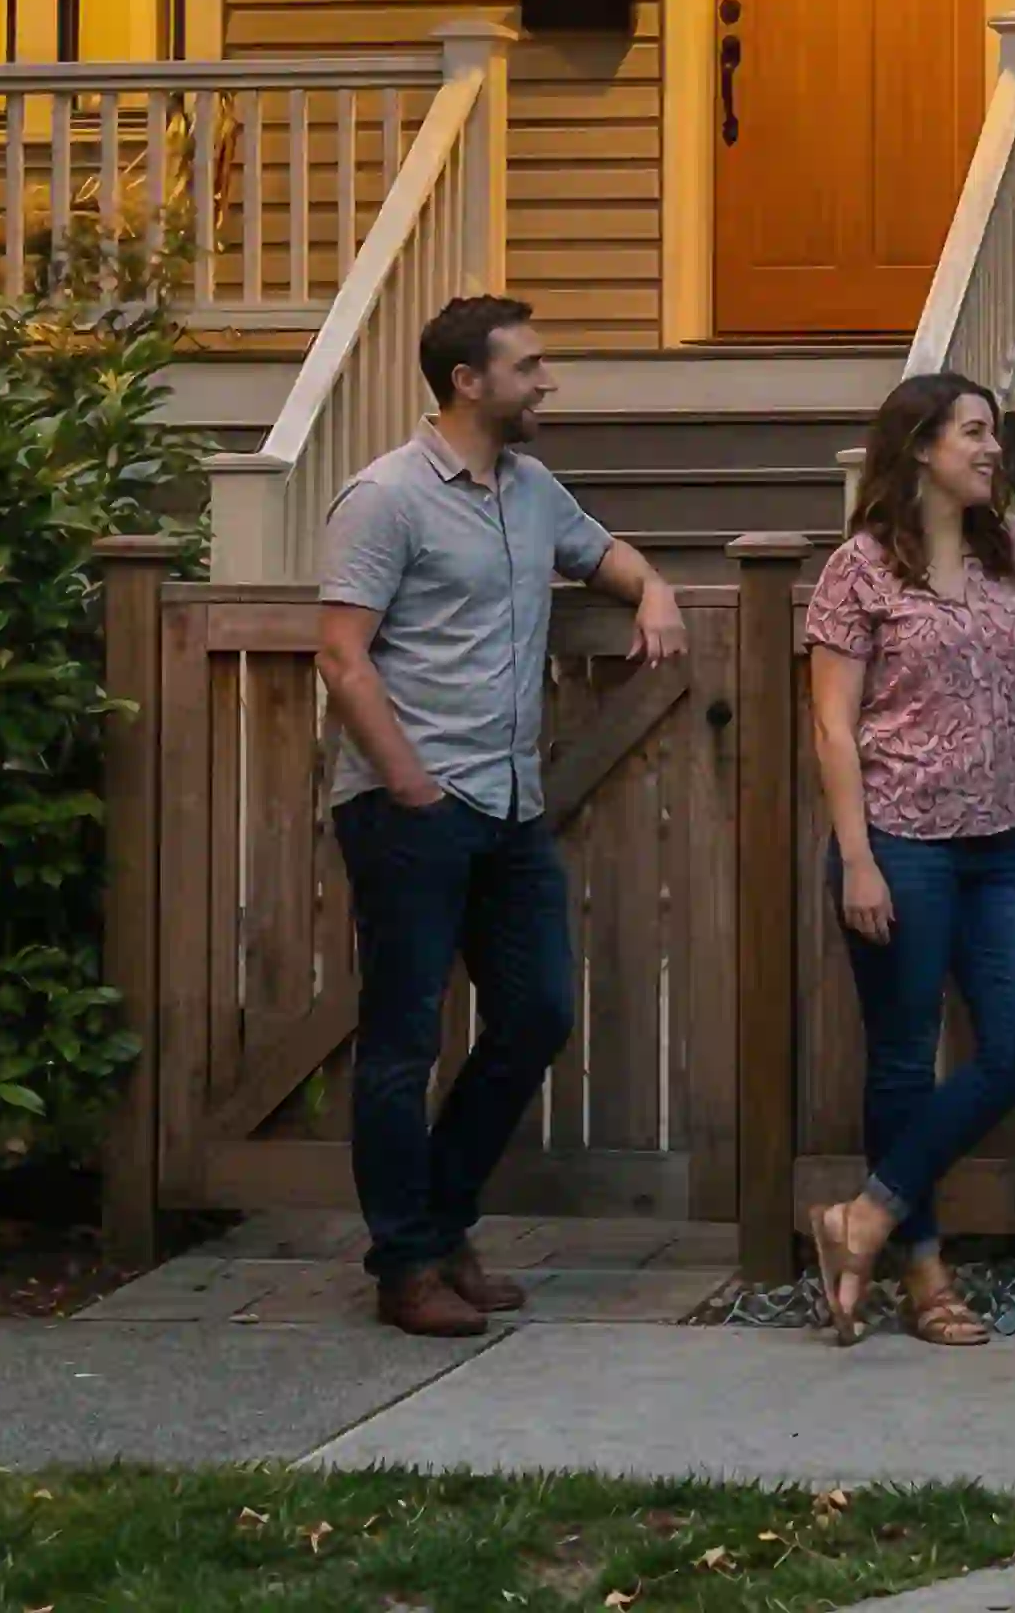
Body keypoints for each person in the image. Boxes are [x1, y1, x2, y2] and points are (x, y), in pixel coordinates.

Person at [314, 291, 681, 1341]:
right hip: (411, 808)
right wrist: (408, 781)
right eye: (528, 366)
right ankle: (405, 1263)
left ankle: (441, 1224)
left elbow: (600, 554)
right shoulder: (383, 499)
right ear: (468, 382)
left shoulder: (530, 489)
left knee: (535, 1015)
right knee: (400, 1040)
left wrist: (649, 587)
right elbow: (342, 654)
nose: (546, 382)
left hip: (510, 807)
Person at [797, 368, 1015, 1345]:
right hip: (897, 842)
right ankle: (924, 1276)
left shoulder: (1010, 552)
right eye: (973, 432)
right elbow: (829, 725)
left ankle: (862, 1216)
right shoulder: (858, 570)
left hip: (994, 847)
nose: (991, 449)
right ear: (921, 449)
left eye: (993, 434)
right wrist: (855, 858)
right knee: (902, 1059)